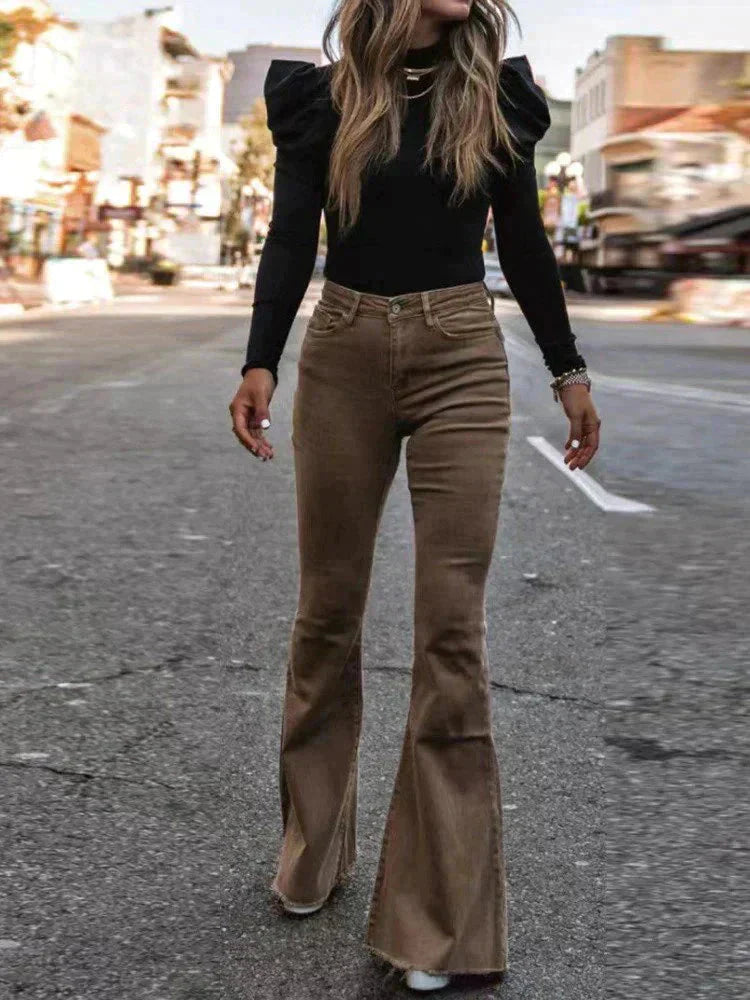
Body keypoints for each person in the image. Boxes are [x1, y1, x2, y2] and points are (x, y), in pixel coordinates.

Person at [229, 0, 601, 992]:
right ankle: (313, 846)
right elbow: (291, 233)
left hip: (461, 359)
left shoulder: (496, 95)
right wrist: (260, 359)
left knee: (450, 634)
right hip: (344, 351)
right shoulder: (324, 96)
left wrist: (568, 368)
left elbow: (521, 238)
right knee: (326, 616)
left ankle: (436, 920)